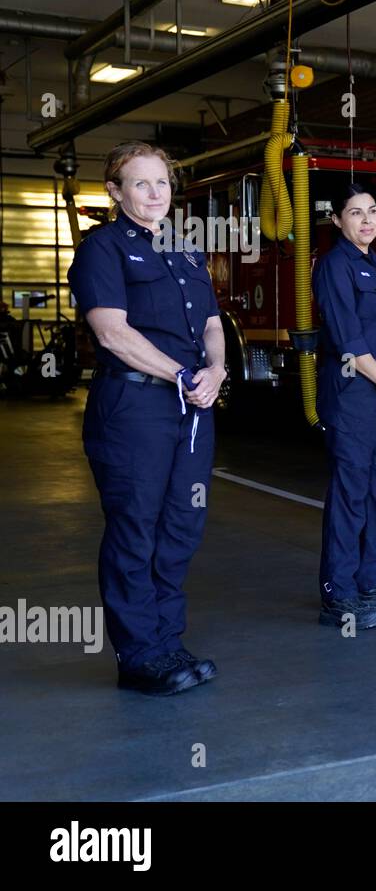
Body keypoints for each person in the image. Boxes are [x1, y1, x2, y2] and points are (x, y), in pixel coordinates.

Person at [68, 140, 223, 695]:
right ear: (115, 191)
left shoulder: (186, 250)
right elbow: (112, 332)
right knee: (136, 529)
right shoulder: (101, 250)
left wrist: (217, 370)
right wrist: (181, 375)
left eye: (162, 182)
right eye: (140, 183)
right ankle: (138, 657)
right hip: (134, 409)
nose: (155, 193)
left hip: (191, 409)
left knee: (181, 526)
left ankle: (165, 643)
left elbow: (210, 323)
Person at [313, 182, 376, 630]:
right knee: (351, 491)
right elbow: (348, 340)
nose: (367, 220)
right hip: (355, 391)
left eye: (372, 211)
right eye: (355, 213)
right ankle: (339, 593)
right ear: (337, 220)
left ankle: (369, 581)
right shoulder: (334, 266)